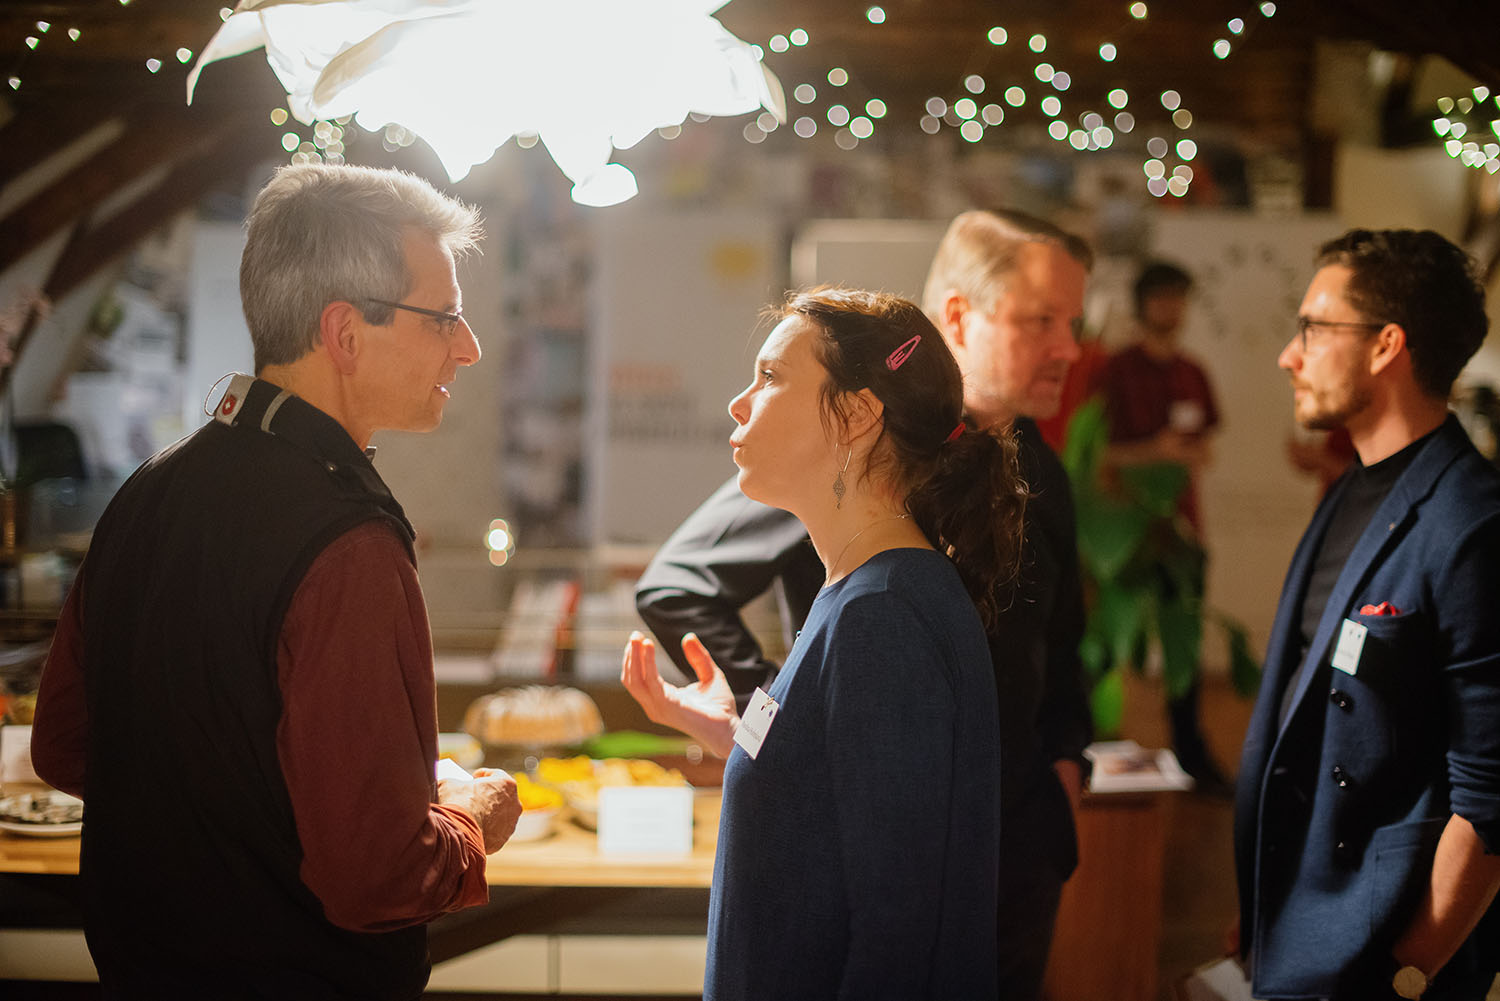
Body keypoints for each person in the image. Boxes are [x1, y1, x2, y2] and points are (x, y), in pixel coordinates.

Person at [30, 164, 523, 1000]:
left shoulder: (151, 487)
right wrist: (471, 815)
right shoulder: (349, 543)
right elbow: (375, 876)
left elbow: (67, 747)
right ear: (345, 331)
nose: (467, 346)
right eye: (443, 317)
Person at [629, 208, 1094, 999]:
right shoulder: (867, 593)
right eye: (1041, 319)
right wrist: (744, 725)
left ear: (856, 416)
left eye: (771, 378)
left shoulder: (885, 612)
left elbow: (898, 940)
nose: (738, 405)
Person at [1233, 229, 1500, 1000]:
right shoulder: (1354, 485)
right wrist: (1261, 915)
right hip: (1295, 931)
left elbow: (1489, 801)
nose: (1291, 353)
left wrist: (1409, 969)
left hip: (1376, 957)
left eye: (1314, 327)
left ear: (1386, 345)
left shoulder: (1472, 523)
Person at [1095, 260, 1227, 792]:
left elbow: (1206, 447)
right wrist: (1155, 452)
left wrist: (1186, 454)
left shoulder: (1192, 372)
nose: (1171, 308)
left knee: (1183, 646)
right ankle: (1091, 749)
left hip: (1180, 529)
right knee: (1108, 646)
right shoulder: (1114, 370)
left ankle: (1191, 750)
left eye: (1179, 298)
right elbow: (1095, 455)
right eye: (1162, 297)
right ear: (1143, 303)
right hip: (1122, 535)